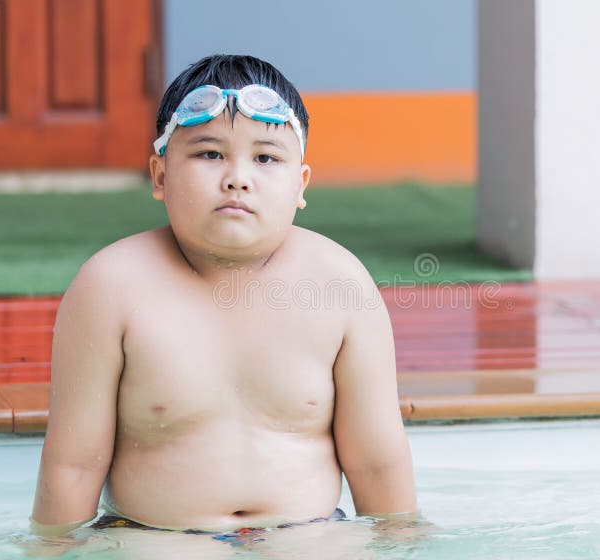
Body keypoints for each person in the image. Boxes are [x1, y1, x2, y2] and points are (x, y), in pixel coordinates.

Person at [30, 54, 417, 539]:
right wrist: (52, 548)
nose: (237, 177)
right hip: (158, 535)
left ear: (300, 184)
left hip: (309, 531)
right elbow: (74, 463)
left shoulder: (340, 285)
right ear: (160, 175)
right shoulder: (111, 287)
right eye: (209, 153)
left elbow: (377, 461)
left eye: (266, 158)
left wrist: (403, 545)